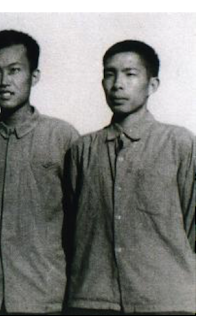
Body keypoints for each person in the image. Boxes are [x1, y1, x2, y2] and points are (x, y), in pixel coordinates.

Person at [64, 40, 196, 315]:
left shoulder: (179, 143)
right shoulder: (82, 150)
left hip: (166, 302)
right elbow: (70, 230)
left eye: (130, 74)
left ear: (153, 84)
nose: (117, 84)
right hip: (91, 300)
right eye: (110, 74)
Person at [0, 30, 79, 315]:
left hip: (43, 293)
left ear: (34, 76)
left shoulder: (62, 138)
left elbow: (78, 221)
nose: (4, 82)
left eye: (15, 71)